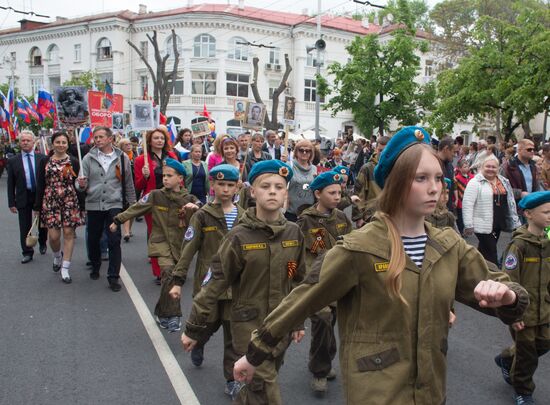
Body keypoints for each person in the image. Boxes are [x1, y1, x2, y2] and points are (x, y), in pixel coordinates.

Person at [233, 126, 529, 405]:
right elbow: (303, 298)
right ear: (397, 183)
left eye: (438, 178)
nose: (434, 188)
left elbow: (504, 287)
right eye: (421, 178)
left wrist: (508, 296)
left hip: (430, 392)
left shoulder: (449, 245)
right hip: (377, 393)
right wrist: (255, 352)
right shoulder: (360, 248)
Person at [181, 160, 306, 404]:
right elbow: (214, 283)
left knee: (254, 387)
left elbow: (296, 277)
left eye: (279, 187)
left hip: (281, 326)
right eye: (265, 186)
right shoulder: (239, 237)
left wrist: (298, 320)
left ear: (286, 193)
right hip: (249, 328)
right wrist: (194, 327)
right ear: (252, 192)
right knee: (265, 386)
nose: (272, 191)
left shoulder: (294, 234)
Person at [171, 164, 244, 394]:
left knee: (233, 335)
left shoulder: (244, 216)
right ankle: (198, 343)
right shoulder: (203, 215)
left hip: (236, 286)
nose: (225, 189)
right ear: (212, 185)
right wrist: (177, 280)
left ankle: (232, 379)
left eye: (230, 185)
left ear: (237, 187)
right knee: (206, 325)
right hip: (209, 284)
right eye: (220, 184)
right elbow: (188, 249)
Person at [111, 159, 199, 330]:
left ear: (180, 178)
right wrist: (117, 220)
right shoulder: (155, 195)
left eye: (169, 175)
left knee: (170, 278)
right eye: (164, 175)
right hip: (161, 242)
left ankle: (161, 311)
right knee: (168, 272)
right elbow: (136, 208)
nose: (165, 179)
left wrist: (195, 207)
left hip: (180, 245)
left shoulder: (189, 199)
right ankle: (173, 315)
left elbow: (204, 212)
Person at [297, 170, 352, 394]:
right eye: (332, 192)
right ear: (318, 194)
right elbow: (296, 252)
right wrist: (293, 276)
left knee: (330, 324)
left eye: (339, 192)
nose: (337, 197)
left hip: (337, 280)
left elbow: (351, 244)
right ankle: (319, 371)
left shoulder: (341, 218)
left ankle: (324, 359)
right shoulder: (306, 220)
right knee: (323, 317)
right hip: (315, 280)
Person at [495, 191, 550, 405]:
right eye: (546, 212)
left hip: (544, 308)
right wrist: (512, 313)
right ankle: (523, 391)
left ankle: (507, 358)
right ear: (528, 214)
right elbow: (508, 280)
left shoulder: (547, 239)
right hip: (523, 312)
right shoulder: (518, 246)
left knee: (544, 343)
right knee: (527, 355)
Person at [76, 126, 136, 292]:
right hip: (94, 203)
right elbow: (80, 184)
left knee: (114, 239)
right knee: (93, 238)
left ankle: (113, 277)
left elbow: (128, 182)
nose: (98, 140)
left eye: (101, 137)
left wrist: (133, 203)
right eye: (95, 137)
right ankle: (95, 264)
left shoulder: (122, 157)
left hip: (114, 203)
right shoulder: (88, 158)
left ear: (110, 139)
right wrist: (80, 184)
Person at [34, 131, 84, 283]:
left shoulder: (74, 161)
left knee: (68, 233)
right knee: (54, 237)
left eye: (64, 142)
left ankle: (65, 268)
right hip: (50, 201)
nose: (61, 145)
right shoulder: (45, 161)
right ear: (52, 143)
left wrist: (82, 188)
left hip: (70, 200)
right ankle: (57, 256)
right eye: (58, 142)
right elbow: (40, 184)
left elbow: (78, 184)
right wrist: (37, 206)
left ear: (68, 145)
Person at [134, 127, 178, 283]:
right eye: (156, 138)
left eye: (162, 138)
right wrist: (145, 176)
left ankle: (173, 266)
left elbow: (179, 178)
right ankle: (159, 272)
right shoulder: (141, 160)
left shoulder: (172, 156)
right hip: (152, 201)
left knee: (172, 234)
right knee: (156, 235)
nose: (159, 141)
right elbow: (138, 185)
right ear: (149, 141)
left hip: (171, 199)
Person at [463, 156, 521, 264]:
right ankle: (493, 274)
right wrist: (468, 224)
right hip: (482, 223)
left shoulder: (504, 181)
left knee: (484, 250)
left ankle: (476, 268)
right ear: (481, 167)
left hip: (499, 222)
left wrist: (514, 219)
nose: (491, 169)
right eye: (488, 166)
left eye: (494, 167)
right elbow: (468, 204)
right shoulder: (475, 182)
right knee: (491, 251)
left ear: (498, 168)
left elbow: (510, 201)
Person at [7, 130, 48, 263]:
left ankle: (42, 242)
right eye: (23, 140)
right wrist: (11, 202)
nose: (25, 143)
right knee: (24, 226)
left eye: (28, 140)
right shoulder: (13, 161)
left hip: (40, 195)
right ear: (19, 143)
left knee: (42, 223)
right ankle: (27, 252)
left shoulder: (42, 158)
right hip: (23, 196)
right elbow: (10, 183)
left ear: (33, 142)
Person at [351, 135, 389, 226]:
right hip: (370, 219)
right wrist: (359, 218)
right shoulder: (367, 168)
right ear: (376, 150)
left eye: (386, 150)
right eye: (380, 150)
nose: (383, 153)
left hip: (391, 218)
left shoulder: (396, 168)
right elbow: (358, 193)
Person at [502, 139, 540, 212]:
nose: (532, 151)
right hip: (514, 209)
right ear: (519, 150)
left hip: (531, 208)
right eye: (529, 149)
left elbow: (536, 187)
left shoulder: (534, 166)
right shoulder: (508, 166)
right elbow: (501, 188)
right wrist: (520, 194)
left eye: (533, 149)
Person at [286, 139, 317, 221]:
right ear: (296, 151)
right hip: (291, 213)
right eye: (301, 150)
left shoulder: (314, 168)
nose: (304, 153)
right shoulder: (289, 166)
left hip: (309, 212)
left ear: (311, 153)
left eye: (308, 151)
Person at [118, 138, 136, 241]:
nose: (129, 146)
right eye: (126, 145)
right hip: (123, 185)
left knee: (132, 207)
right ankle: (126, 231)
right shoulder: (119, 157)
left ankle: (128, 229)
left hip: (134, 184)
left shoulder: (135, 155)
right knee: (125, 208)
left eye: (130, 144)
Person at [454, 159, 474, 234]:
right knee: (460, 217)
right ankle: (461, 230)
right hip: (460, 200)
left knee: (468, 215)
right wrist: (456, 199)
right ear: (459, 168)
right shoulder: (457, 178)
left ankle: (467, 229)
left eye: (467, 166)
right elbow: (456, 189)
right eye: (464, 167)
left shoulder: (472, 177)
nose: (467, 168)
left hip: (469, 200)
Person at [437, 137, 456, 210]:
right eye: (453, 152)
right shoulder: (433, 164)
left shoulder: (450, 165)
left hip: (447, 208)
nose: (454, 155)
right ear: (446, 149)